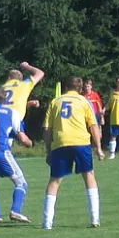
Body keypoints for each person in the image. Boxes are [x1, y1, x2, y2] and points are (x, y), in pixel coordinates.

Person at [42, 76, 104, 230]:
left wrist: (49, 150)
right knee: (89, 176)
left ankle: (47, 223)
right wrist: (99, 148)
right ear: (80, 88)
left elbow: (47, 129)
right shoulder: (84, 101)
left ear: (65, 87)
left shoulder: (55, 102)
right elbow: (93, 126)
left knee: (54, 180)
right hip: (81, 142)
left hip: (61, 143)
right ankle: (95, 219)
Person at [0, 87, 33, 223]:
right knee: (21, 183)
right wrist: (30, 143)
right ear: (6, 99)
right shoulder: (11, 112)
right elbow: (22, 138)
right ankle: (15, 210)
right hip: (1, 150)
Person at [104, 76, 119, 159]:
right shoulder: (113, 93)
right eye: (118, 82)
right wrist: (104, 109)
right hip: (115, 118)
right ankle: (112, 153)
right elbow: (109, 104)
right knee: (113, 136)